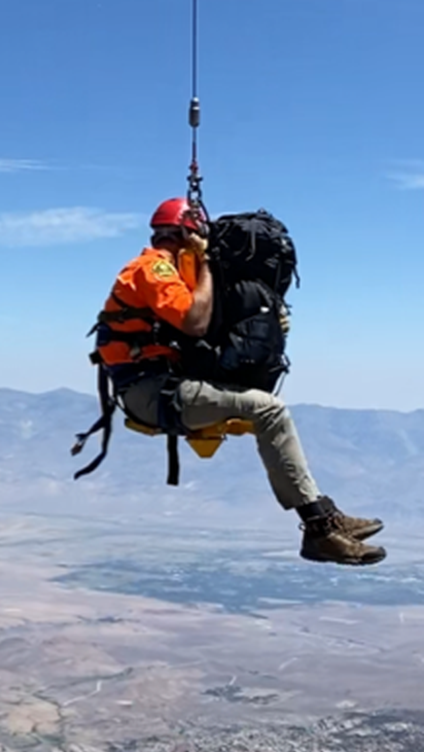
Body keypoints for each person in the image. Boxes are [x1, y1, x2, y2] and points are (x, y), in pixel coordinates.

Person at [96, 197, 385, 565]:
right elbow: (194, 323)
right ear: (187, 233)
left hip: (163, 384)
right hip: (150, 393)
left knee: (261, 401)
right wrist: (208, 269)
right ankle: (319, 529)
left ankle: (326, 515)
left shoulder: (171, 271)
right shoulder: (153, 270)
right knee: (270, 411)